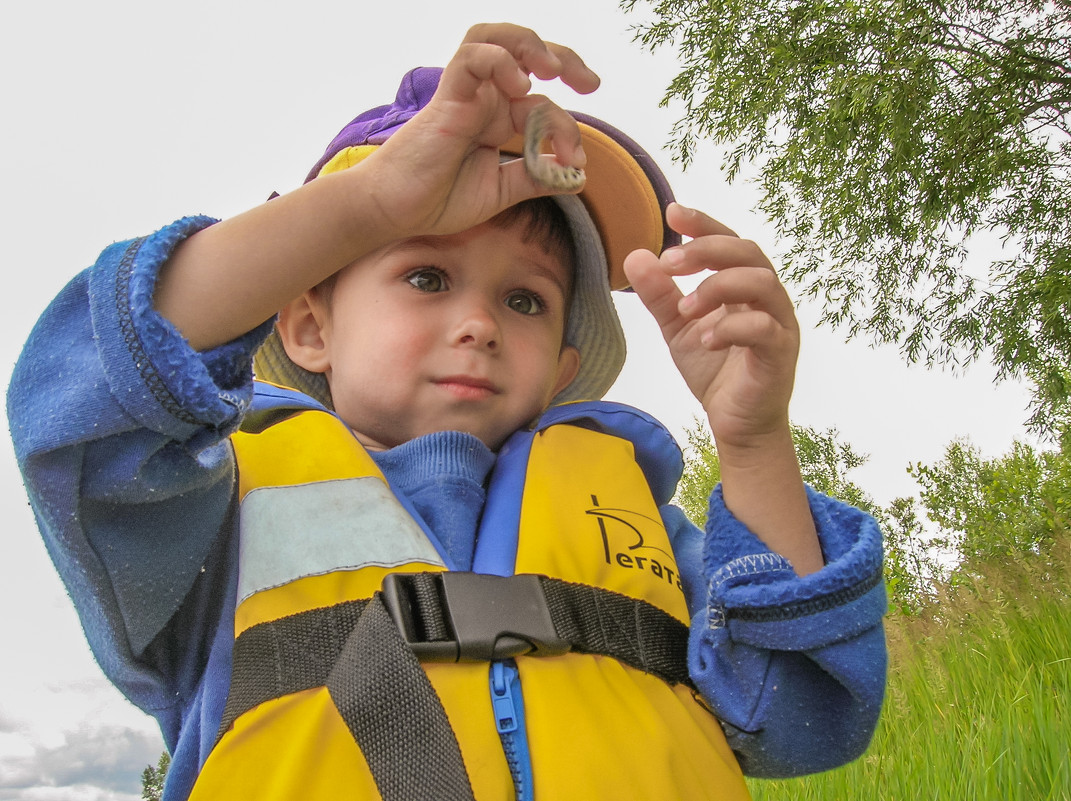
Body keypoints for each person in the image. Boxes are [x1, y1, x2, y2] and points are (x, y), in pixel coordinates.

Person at [7, 23, 886, 801]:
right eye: (425, 276)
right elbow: (76, 394)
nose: (478, 323)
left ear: (563, 371)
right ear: (308, 324)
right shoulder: (209, 517)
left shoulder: (642, 528)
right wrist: (368, 204)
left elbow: (802, 715)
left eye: (527, 300)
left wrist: (753, 436)